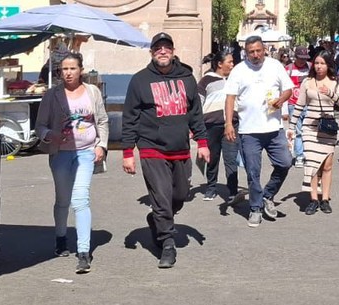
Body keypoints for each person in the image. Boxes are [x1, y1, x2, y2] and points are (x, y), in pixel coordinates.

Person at [122, 32, 208, 269]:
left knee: (179, 197)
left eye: (166, 47)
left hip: (180, 148)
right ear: (151, 52)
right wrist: (128, 152)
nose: (162, 51)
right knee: (161, 197)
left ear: (172, 51)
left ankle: (156, 219)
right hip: (152, 148)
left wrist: (202, 143)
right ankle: (167, 244)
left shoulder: (187, 78)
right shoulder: (140, 80)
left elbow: (196, 115)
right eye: (157, 48)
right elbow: (129, 118)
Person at [33, 52, 107, 274]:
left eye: (73, 68)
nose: (68, 72)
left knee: (80, 199)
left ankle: (83, 252)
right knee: (63, 200)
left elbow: (101, 120)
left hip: (86, 152)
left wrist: (101, 145)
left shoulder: (92, 92)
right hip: (61, 154)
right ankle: (60, 237)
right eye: (64, 69)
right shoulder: (52, 95)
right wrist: (50, 135)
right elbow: (39, 126)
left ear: (81, 70)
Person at [224, 34, 293, 228]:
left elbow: (288, 88)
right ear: (246, 52)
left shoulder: (275, 66)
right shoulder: (238, 70)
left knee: (285, 163)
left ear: (264, 50)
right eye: (251, 52)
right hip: (249, 130)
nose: (255, 55)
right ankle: (255, 208)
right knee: (253, 172)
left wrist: (282, 99)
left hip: (273, 128)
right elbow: (230, 98)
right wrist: (228, 123)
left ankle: (268, 195)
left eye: (258, 51)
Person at [294, 51, 339, 214]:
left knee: (327, 165)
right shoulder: (307, 82)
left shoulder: (335, 82)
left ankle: (325, 199)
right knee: (312, 164)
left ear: (329, 65)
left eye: (322, 63)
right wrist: (291, 127)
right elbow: (299, 105)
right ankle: (314, 199)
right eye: (316, 63)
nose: (319, 66)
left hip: (327, 127)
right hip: (310, 127)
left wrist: (329, 93)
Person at [198, 48, 241, 204]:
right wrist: (195, 126)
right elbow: (198, 102)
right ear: (219, 64)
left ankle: (233, 191)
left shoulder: (235, 80)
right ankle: (211, 187)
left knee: (230, 158)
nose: (232, 64)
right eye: (229, 61)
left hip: (231, 125)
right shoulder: (206, 80)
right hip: (211, 125)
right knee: (213, 158)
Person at [285, 46, 312, 165]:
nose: (302, 61)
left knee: (309, 131)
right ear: (295, 57)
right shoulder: (288, 69)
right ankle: (299, 155)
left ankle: (309, 154)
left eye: (304, 58)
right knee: (297, 130)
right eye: (300, 58)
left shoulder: (310, 67)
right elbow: (284, 88)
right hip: (293, 104)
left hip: (309, 103)